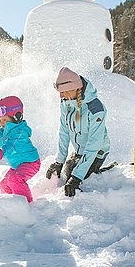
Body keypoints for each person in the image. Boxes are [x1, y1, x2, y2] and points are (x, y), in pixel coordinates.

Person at [46, 66, 110, 197]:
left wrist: (77, 178)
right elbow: (64, 131)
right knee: (65, 172)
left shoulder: (96, 109)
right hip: (79, 151)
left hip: (96, 152)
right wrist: (59, 161)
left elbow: (94, 145)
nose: (60, 95)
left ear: (74, 88)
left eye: (63, 91)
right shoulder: (66, 103)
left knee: (73, 178)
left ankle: (99, 170)